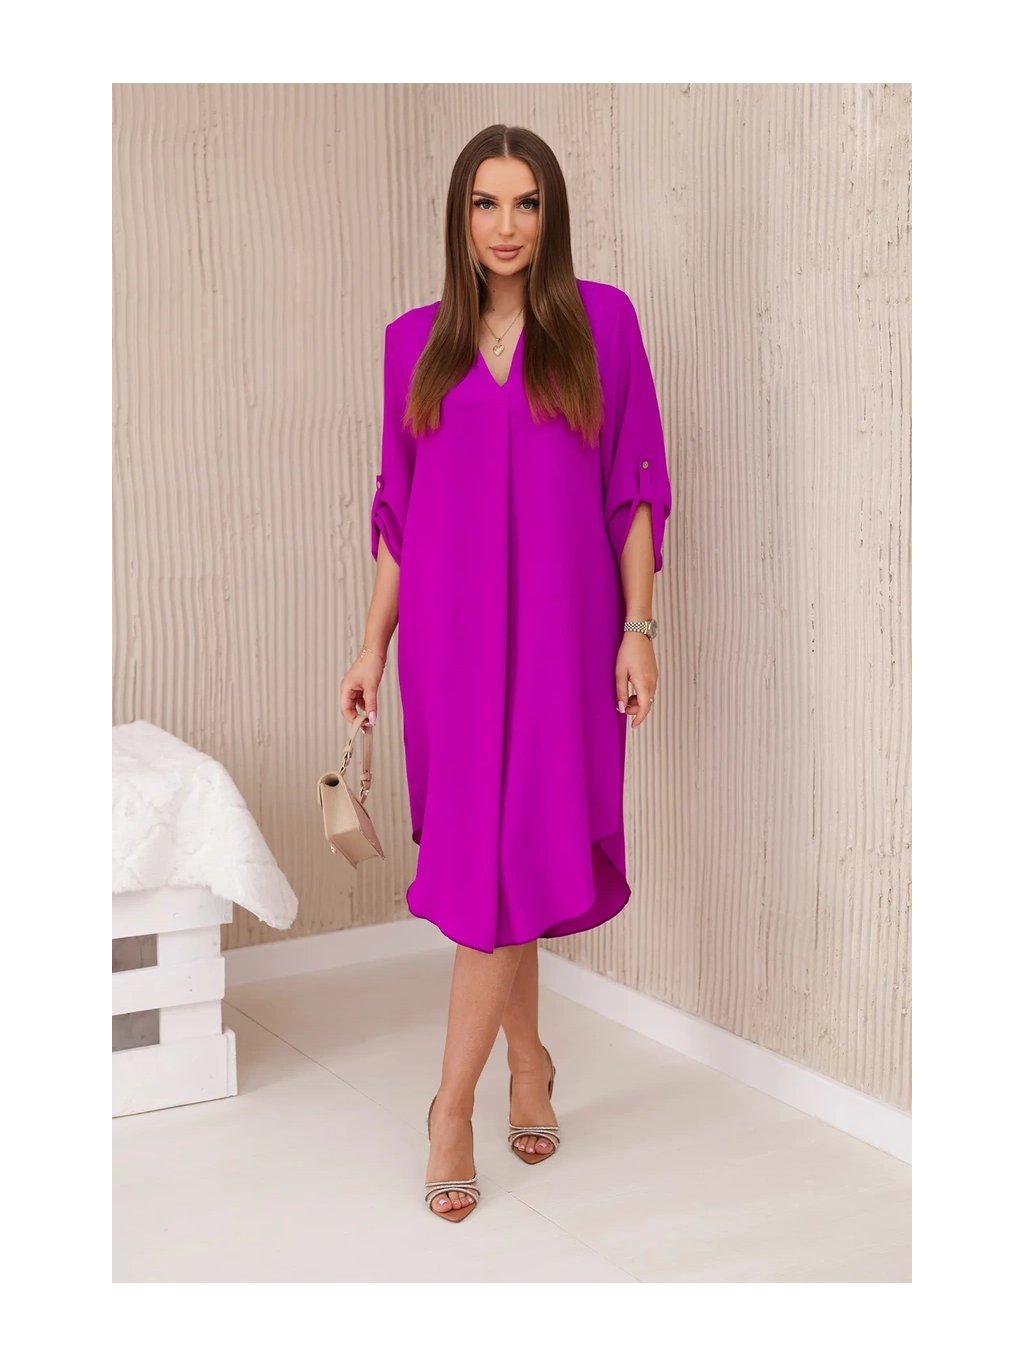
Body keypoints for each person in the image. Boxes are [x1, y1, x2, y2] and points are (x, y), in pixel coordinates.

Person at [338, 124, 672, 1222]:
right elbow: (398, 515)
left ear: (550, 214)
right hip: (450, 646)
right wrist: (373, 645)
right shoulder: (412, 344)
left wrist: (638, 627)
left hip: (566, 640)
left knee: (510, 860)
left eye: (526, 203)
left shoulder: (602, 325)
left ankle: (451, 1107)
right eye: (486, 203)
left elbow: (633, 485)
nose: (506, 225)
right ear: (460, 216)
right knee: (494, 869)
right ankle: (527, 1066)